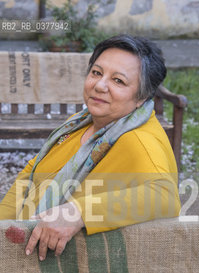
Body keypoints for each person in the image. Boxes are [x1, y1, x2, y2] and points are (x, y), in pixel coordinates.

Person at [0, 34, 180, 261]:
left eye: (118, 81)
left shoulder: (138, 141)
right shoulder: (82, 121)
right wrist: (3, 226)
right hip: (19, 247)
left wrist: (77, 212)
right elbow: (32, 172)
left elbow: (165, 197)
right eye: (96, 73)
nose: (100, 85)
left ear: (141, 98)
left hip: (65, 270)